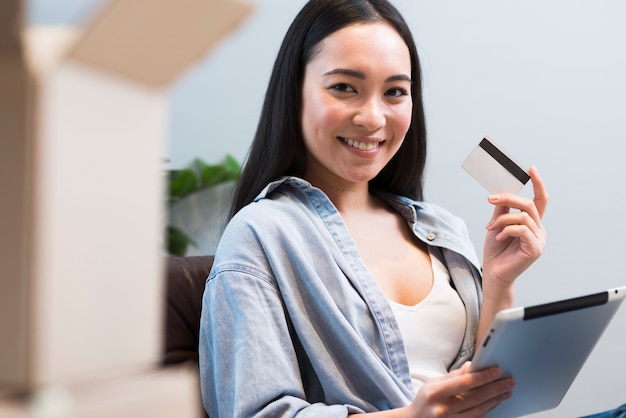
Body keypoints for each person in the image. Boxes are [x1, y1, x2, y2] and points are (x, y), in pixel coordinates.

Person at [198, 0, 548, 416]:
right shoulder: (262, 234)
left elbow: (492, 394)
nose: (373, 117)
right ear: (295, 92)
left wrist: (499, 282)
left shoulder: (442, 229)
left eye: (395, 92)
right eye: (345, 87)